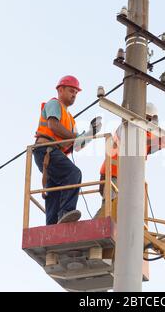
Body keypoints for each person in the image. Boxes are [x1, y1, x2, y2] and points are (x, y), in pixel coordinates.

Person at [95, 102, 165, 221]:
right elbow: (136, 138)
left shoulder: (148, 134)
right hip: (112, 173)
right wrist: (162, 140)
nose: (149, 121)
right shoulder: (127, 125)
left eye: (151, 118)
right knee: (110, 208)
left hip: (128, 180)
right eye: (147, 118)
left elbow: (162, 143)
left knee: (123, 212)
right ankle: (92, 229)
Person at [33, 75, 102, 225]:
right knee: (73, 173)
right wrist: (77, 137)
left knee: (55, 189)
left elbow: (76, 145)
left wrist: (90, 133)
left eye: (76, 93)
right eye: (71, 91)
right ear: (60, 89)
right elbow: (53, 126)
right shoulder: (53, 104)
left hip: (51, 153)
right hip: (45, 150)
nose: (74, 95)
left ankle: (52, 225)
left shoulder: (71, 120)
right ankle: (66, 212)